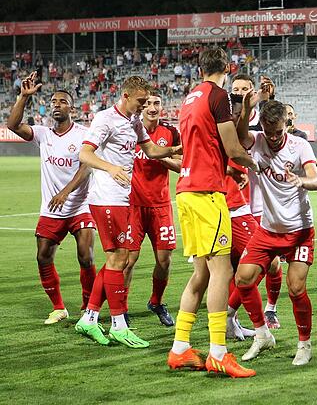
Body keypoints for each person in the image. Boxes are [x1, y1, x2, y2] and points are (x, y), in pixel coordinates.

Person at [167, 47, 259, 377]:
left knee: (201, 274)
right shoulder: (218, 95)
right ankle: (218, 352)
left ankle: (179, 348)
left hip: (187, 192)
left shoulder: (190, 97)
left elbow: (204, 144)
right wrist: (258, 166)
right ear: (226, 67)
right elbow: (234, 147)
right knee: (223, 272)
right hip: (207, 194)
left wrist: (228, 169)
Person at [74, 76, 180, 349]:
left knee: (116, 260)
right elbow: (85, 154)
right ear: (125, 95)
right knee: (120, 259)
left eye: (147, 102)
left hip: (123, 199)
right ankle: (119, 324)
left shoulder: (133, 121)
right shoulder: (105, 119)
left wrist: (177, 148)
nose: (144, 106)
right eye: (141, 101)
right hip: (107, 198)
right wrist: (110, 168)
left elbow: (152, 150)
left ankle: (90, 317)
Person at [234, 100, 317, 366]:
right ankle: (262, 334)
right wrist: (248, 107)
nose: (272, 137)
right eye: (268, 131)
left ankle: (304, 344)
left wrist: (301, 180)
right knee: (244, 278)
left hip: (299, 230)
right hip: (268, 229)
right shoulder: (256, 141)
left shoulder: (299, 146)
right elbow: (237, 136)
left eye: (278, 132)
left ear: (287, 125)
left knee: (296, 289)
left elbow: (316, 180)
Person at [7, 72, 96, 325]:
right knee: (43, 256)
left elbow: (87, 167)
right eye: (54, 102)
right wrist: (23, 96)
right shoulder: (43, 134)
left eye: (62, 102)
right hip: (51, 209)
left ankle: (88, 307)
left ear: (73, 109)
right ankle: (59, 308)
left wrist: (66, 192)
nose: (57, 105)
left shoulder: (82, 134)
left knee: (85, 255)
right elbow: (13, 125)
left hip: (80, 205)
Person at [228, 73, 284, 331]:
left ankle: (269, 309)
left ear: (252, 90)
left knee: (269, 263)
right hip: (233, 202)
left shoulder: (259, 121)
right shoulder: (226, 119)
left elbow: (274, 133)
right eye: (235, 88)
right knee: (232, 269)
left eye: (244, 88)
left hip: (260, 202)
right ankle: (230, 318)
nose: (239, 92)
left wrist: (268, 99)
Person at [123, 92, 181, 327]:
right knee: (129, 259)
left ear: (162, 107)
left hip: (160, 206)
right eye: (147, 104)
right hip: (133, 206)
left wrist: (160, 157)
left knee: (164, 260)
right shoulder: (129, 131)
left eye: (156, 103)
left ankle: (156, 302)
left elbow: (181, 165)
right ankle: (122, 309)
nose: (152, 107)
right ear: (141, 107)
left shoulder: (170, 133)